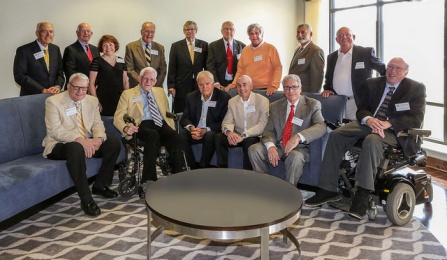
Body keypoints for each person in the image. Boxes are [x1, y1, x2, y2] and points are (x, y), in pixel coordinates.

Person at [305, 57, 426, 220]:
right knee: (336, 135)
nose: (392, 71)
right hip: (369, 123)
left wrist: (388, 123)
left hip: (394, 131)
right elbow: (362, 109)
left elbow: (415, 118)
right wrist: (369, 119)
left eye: (397, 68)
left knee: (372, 140)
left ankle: (362, 194)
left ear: (406, 72)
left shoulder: (415, 88)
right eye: (390, 66)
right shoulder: (373, 84)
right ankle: (328, 189)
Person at [43, 73, 120, 217]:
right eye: (76, 88)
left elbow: (98, 124)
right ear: (68, 86)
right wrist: (80, 139)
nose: (80, 92)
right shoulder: (53, 102)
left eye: (84, 89)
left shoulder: (92, 100)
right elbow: (55, 131)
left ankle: (100, 185)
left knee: (112, 142)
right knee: (75, 147)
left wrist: (98, 139)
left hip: (86, 141)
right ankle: (86, 199)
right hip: (59, 144)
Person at [248, 74, 326, 186]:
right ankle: (263, 186)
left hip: (299, 149)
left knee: (295, 157)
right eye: (287, 87)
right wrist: (270, 146)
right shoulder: (275, 106)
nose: (291, 91)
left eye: (294, 87)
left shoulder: (312, 105)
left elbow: (321, 126)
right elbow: (269, 130)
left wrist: (299, 137)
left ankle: (290, 193)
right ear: (283, 89)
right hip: (279, 146)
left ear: (300, 88)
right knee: (254, 149)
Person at [114, 67, 184, 184]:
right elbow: (118, 116)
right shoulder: (128, 94)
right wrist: (125, 127)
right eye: (145, 78)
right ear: (140, 79)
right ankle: (149, 178)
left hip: (159, 122)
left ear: (155, 81)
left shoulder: (160, 92)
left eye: (152, 79)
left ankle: (178, 174)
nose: (148, 82)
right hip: (140, 124)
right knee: (153, 136)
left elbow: (166, 111)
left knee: (173, 135)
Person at [321, 27, 386, 120]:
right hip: (337, 102)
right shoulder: (331, 57)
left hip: (357, 102)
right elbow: (328, 78)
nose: (344, 37)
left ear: (353, 37)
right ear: (336, 40)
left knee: (355, 131)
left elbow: (383, 71)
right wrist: (327, 89)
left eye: (347, 34)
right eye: (340, 35)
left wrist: (377, 90)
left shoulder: (365, 53)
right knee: (336, 130)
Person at [216, 75, 269, 170]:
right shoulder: (232, 101)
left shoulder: (262, 101)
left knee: (250, 143)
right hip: (237, 135)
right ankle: (222, 170)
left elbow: (262, 125)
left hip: (253, 136)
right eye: (239, 85)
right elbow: (227, 121)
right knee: (219, 137)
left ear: (251, 86)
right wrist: (229, 133)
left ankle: (247, 175)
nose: (241, 88)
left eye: (245, 85)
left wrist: (244, 136)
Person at [180, 71, 230, 169]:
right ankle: (192, 166)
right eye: (201, 84)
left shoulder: (223, 97)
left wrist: (205, 130)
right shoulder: (191, 97)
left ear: (213, 83)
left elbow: (224, 122)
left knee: (210, 135)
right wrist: (191, 128)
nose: (204, 87)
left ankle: (203, 166)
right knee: (182, 133)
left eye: (207, 84)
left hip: (211, 131)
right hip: (195, 131)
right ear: (197, 85)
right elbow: (184, 118)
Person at [225, 23, 282, 96]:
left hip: (267, 90)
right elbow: (240, 70)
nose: (254, 36)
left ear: (262, 34)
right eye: (251, 34)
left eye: (257, 33)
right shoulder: (245, 50)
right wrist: (234, 83)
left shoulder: (271, 48)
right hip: (249, 89)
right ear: (249, 37)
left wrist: (274, 85)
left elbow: (278, 67)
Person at [14, 22, 64, 96]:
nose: (48, 35)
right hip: (32, 96)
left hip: (53, 96)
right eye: (44, 31)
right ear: (37, 33)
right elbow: (20, 76)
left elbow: (60, 72)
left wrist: (57, 86)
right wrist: (41, 90)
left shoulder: (55, 49)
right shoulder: (23, 50)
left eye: (51, 31)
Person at [168, 21, 208, 113]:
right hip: (181, 84)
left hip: (199, 84)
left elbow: (207, 67)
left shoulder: (204, 45)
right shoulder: (176, 46)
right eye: (187, 29)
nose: (189, 31)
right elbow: (172, 67)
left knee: (197, 109)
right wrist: (171, 86)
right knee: (182, 109)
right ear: (184, 31)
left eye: (192, 29)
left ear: (196, 30)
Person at [89, 35, 129, 116]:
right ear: (101, 47)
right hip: (103, 98)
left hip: (119, 98)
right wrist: (95, 101)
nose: (108, 47)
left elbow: (125, 81)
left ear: (115, 46)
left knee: (119, 120)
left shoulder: (121, 60)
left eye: (111, 44)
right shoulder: (97, 61)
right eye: (105, 45)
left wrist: (127, 99)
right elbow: (91, 82)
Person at [125, 22, 167, 88]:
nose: (149, 34)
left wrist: (154, 83)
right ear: (141, 32)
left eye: (152, 32)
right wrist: (142, 81)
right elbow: (129, 69)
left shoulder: (160, 48)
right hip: (137, 86)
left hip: (155, 87)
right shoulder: (131, 47)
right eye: (147, 31)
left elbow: (163, 69)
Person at [207, 21, 246, 90]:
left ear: (234, 31)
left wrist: (237, 82)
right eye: (226, 29)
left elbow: (243, 67)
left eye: (231, 29)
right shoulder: (213, 46)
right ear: (221, 31)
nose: (228, 31)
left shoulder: (242, 46)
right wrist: (215, 82)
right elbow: (210, 66)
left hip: (236, 83)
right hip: (219, 83)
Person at [288, 23, 325, 93]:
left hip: (306, 93)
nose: (299, 35)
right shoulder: (297, 50)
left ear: (310, 34)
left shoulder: (316, 50)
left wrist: (313, 95)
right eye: (298, 32)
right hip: (295, 91)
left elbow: (317, 76)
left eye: (303, 32)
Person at [63, 23, 99, 90]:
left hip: (95, 89)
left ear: (91, 33)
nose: (86, 33)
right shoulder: (70, 49)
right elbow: (70, 72)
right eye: (83, 31)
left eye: (88, 31)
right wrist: (85, 86)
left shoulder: (95, 49)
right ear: (77, 33)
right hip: (78, 89)